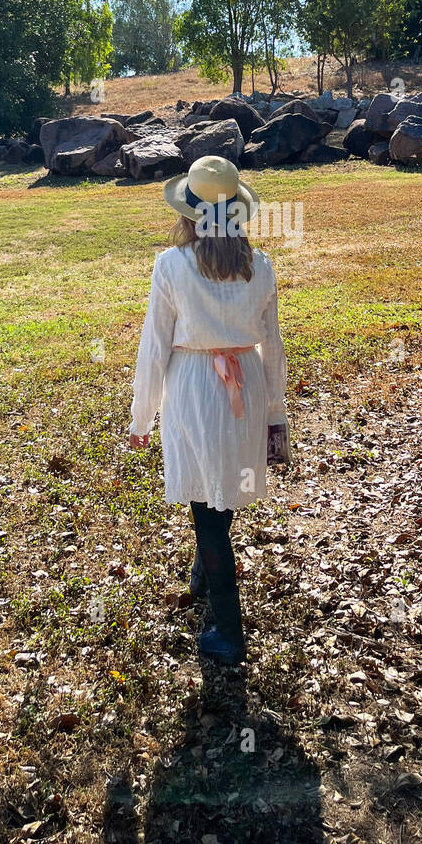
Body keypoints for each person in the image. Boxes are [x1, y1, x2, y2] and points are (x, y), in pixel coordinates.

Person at [129, 154, 288, 665]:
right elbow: (273, 345)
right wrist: (275, 413)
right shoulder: (259, 266)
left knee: (210, 517)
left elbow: (154, 347)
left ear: (189, 214)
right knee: (221, 498)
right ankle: (204, 570)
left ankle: (228, 632)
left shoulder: (172, 265)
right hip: (245, 389)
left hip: (197, 392)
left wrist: (141, 417)